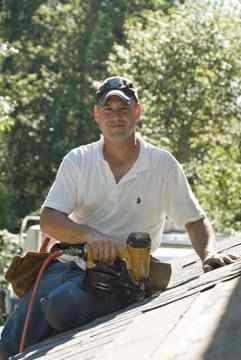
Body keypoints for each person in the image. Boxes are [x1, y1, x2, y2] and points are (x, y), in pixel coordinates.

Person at [0, 76, 238, 359]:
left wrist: (208, 253)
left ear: (137, 111)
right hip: (68, 264)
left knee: (61, 307)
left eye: (123, 108)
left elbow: (194, 220)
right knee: (12, 338)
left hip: (125, 277)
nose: (116, 116)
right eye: (108, 109)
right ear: (96, 115)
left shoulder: (162, 165)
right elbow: (50, 220)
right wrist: (89, 235)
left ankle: (121, 297)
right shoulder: (78, 160)